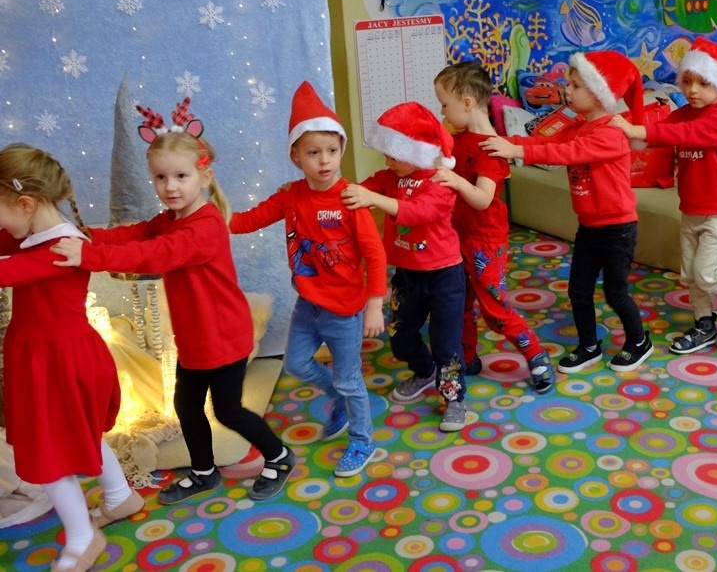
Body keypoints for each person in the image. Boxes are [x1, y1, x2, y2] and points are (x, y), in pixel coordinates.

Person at [52, 98, 295, 505]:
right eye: (161, 177)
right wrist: (88, 236)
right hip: (196, 338)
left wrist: (89, 257)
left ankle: (279, 456)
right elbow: (137, 234)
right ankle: (204, 471)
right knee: (187, 406)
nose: (170, 187)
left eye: (181, 176)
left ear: (204, 176)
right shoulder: (170, 219)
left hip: (223, 337)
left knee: (228, 411)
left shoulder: (204, 226)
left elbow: (155, 254)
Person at [229, 82, 386, 478]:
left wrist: (374, 304)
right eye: (313, 152)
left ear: (341, 150)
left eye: (331, 150)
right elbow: (246, 221)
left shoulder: (351, 199)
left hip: (345, 311)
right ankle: (338, 400)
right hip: (308, 305)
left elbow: (375, 255)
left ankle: (363, 440)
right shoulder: (291, 196)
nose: (324, 160)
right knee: (296, 364)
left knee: (350, 380)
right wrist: (208, 212)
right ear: (296, 156)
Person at [0, 144, 142, 571]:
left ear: (26, 204)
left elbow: (6, 271)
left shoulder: (62, 248)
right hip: (50, 358)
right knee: (79, 434)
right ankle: (119, 496)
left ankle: (83, 537)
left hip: (58, 362)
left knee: (47, 452)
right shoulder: (27, 231)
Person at [481, 50, 652, 374]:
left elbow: (566, 153)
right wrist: (504, 142)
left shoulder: (612, 133)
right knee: (578, 291)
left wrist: (515, 150)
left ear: (599, 93)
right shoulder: (577, 126)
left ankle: (639, 341)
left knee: (616, 293)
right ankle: (589, 345)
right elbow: (543, 142)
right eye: (568, 84)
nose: (566, 90)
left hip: (618, 229)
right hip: (589, 226)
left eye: (575, 86)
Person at [610, 37, 717, 355]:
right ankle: (704, 323)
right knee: (690, 274)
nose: (693, 90)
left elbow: (681, 134)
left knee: (706, 271)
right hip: (691, 207)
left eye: (703, 82)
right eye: (687, 81)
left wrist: (638, 132)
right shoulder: (683, 113)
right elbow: (659, 133)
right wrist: (625, 132)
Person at [341, 102, 470, 431]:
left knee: (446, 344)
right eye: (386, 156)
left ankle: (454, 399)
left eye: (394, 156)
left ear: (414, 152)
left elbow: (418, 212)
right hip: (407, 276)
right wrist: (323, 192)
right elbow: (360, 189)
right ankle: (425, 371)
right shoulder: (391, 177)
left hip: (445, 276)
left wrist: (375, 201)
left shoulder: (441, 181)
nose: (388, 162)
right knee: (399, 336)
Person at [431, 62, 555, 394]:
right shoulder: (458, 139)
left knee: (495, 309)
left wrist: (456, 181)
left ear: (467, 103)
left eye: (444, 104)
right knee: (458, 302)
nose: (442, 111)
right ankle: (467, 357)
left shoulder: (490, 147)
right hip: (456, 235)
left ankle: (535, 354)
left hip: (484, 240)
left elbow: (483, 199)